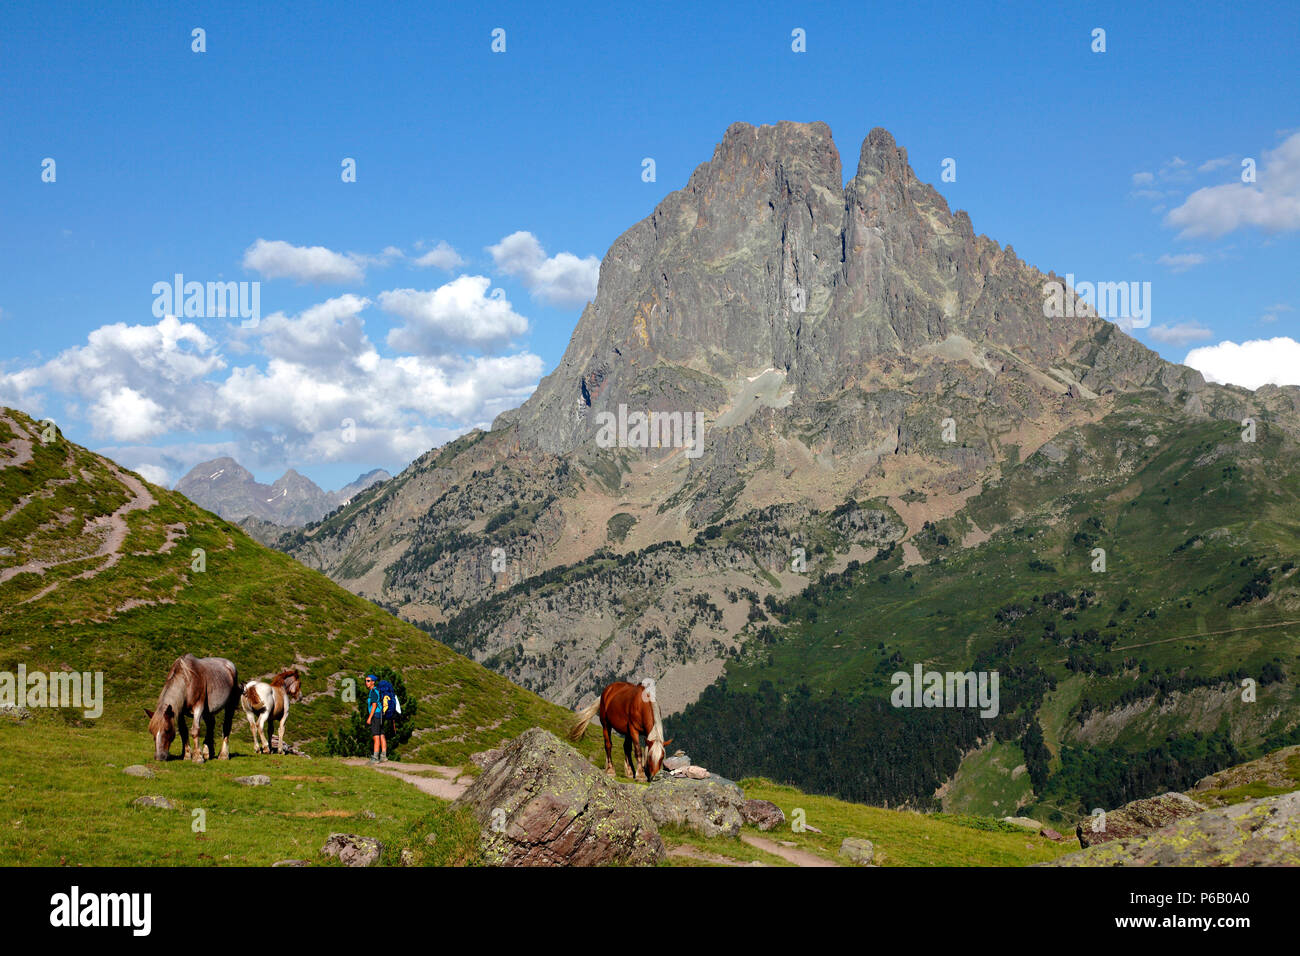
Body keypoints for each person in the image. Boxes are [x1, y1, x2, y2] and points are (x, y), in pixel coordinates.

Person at [364, 674, 387, 762]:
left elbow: (374, 705)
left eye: (368, 681)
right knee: (381, 735)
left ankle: (375, 757)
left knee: (376, 736)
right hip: (381, 715)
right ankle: (383, 756)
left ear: (373, 682)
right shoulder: (377, 690)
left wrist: (369, 718)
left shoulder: (373, 691)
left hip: (375, 716)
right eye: (366, 681)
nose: (367, 683)